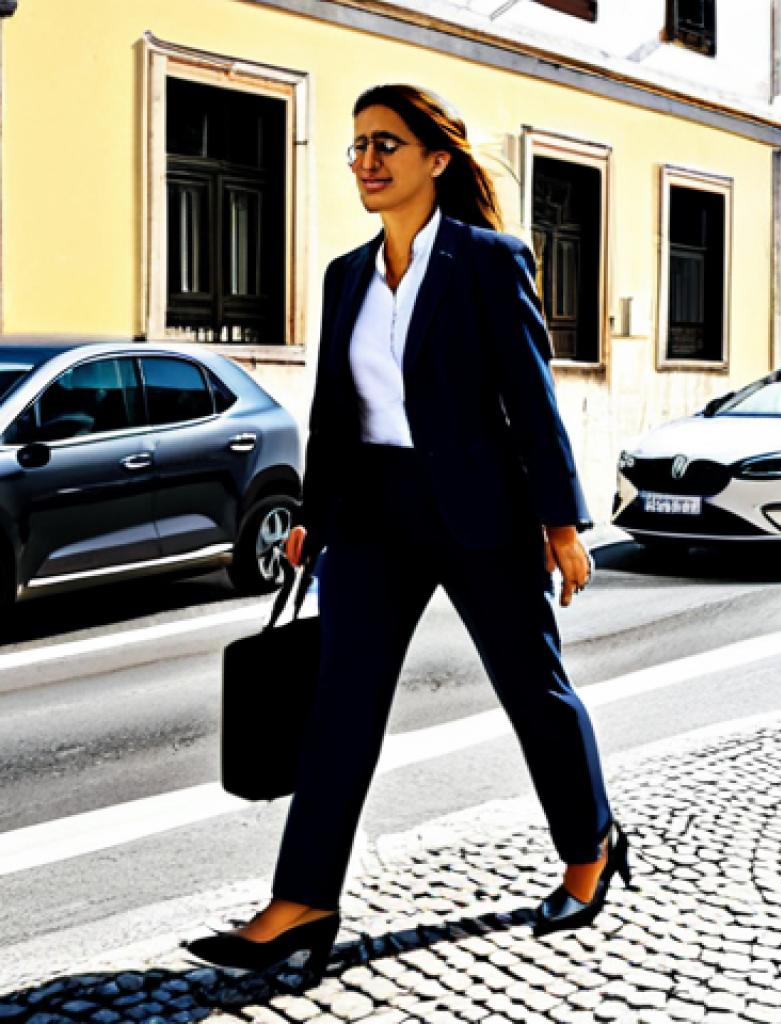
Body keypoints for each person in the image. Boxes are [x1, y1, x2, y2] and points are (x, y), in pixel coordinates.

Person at [187, 84, 628, 977]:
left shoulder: (489, 260)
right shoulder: (346, 274)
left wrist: (561, 521)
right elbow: (335, 409)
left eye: (386, 143)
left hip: (479, 513)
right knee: (339, 707)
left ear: (436, 158)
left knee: (530, 688)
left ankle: (589, 847)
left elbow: (531, 402)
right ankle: (303, 901)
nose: (367, 161)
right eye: (355, 147)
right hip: (372, 513)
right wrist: (314, 513)